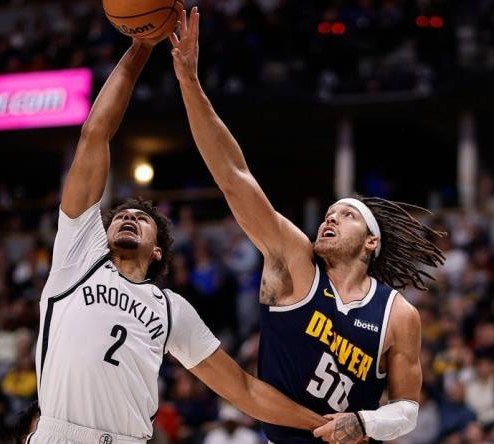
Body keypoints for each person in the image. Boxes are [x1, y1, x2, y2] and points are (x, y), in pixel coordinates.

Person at [30, 37, 328, 444]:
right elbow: (95, 134)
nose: (129, 217)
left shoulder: (171, 310)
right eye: (120, 216)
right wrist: (139, 48)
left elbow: (243, 390)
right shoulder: (78, 257)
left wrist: (322, 424)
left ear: (158, 251)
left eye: (142, 218)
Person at [169, 9, 445, 443]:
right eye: (329, 212)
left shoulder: (399, 315)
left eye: (347, 214)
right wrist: (189, 83)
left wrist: (365, 422)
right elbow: (233, 176)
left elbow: (407, 410)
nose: (331, 217)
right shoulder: (294, 261)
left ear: (372, 241)